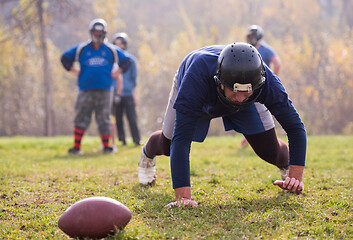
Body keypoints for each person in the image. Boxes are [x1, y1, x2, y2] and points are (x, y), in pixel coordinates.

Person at [138, 43, 306, 207]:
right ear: (219, 81)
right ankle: (148, 152)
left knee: (270, 151)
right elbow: (182, 139)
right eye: (234, 91)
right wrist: (183, 198)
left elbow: (295, 127)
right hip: (198, 89)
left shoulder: (266, 81)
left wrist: (296, 178)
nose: (240, 98)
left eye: (246, 91)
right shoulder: (197, 77)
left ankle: (286, 168)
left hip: (251, 100)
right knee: (169, 145)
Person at [61, 18, 130, 155]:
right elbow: (64, 58)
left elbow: (127, 61)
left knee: (104, 118)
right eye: (95, 32)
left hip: (105, 89)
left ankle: (107, 147)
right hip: (85, 89)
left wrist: (118, 71)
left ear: (104, 33)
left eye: (100, 33)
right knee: (81, 117)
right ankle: (76, 147)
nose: (97, 35)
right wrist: (74, 70)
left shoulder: (111, 49)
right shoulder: (82, 48)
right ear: (91, 32)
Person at [239, 25, 283, 148]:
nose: (251, 38)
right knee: (247, 110)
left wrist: (273, 79)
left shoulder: (266, 49)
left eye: (253, 36)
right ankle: (249, 136)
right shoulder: (247, 48)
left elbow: (277, 63)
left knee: (264, 111)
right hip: (249, 85)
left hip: (261, 85)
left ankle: (268, 137)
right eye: (250, 36)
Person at [112, 32, 141, 146]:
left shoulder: (131, 60)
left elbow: (134, 79)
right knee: (118, 119)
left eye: (121, 44)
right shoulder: (113, 60)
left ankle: (136, 139)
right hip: (116, 93)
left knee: (132, 118)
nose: (118, 46)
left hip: (128, 93)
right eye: (116, 44)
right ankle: (122, 140)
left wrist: (135, 94)